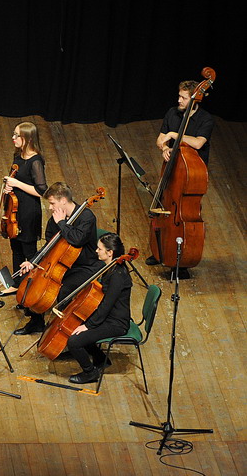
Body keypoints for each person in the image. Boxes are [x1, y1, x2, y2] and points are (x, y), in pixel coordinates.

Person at [13, 182, 102, 335]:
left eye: (52, 203)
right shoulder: (54, 220)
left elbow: (77, 239)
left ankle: (65, 329)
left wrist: (62, 223)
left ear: (63, 200)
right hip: (60, 262)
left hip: (84, 266)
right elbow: (49, 246)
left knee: (64, 290)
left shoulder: (86, 217)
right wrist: (33, 262)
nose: (50, 207)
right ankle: (36, 322)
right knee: (30, 280)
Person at [145, 79, 215, 273]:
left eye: (183, 98)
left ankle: (181, 261)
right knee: (164, 209)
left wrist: (175, 135)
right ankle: (160, 252)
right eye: (179, 96)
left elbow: (199, 143)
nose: (179, 100)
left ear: (194, 100)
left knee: (184, 216)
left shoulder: (206, 119)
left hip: (191, 175)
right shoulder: (172, 113)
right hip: (171, 171)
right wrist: (164, 148)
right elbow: (160, 139)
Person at [65, 232, 132, 384]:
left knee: (74, 341)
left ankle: (90, 373)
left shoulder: (118, 275)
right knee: (76, 325)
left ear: (110, 252)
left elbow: (107, 305)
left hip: (116, 323)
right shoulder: (111, 268)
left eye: (100, 249)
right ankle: (101, 359)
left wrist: (88, 325)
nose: (96, 251)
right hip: (108, 317)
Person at [1, 122, 47, 289]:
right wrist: (9, 187)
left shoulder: (36, 161)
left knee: (28, 250)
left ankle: (31, 287)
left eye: (17, 135)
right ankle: (16, 285)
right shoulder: (18, 156)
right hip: (15, 209)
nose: (13, 138)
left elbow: (42, 191)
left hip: (28, 211)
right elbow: (15, 180)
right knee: (16, 247)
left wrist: (17, 184)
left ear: (27, 139)